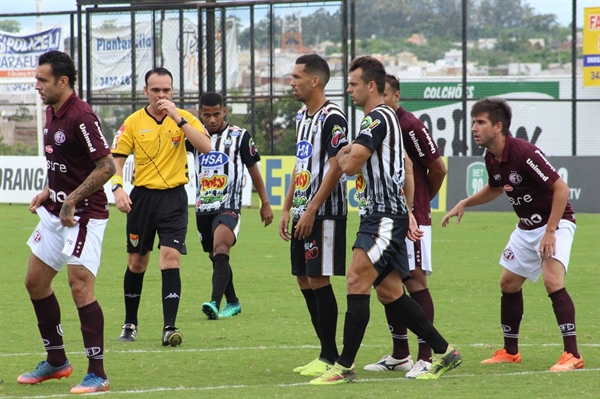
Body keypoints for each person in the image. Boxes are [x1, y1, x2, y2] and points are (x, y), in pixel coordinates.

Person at [309, 56, 462, 385]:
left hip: (380, 218)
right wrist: (406, 209)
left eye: (353, 84)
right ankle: (445, 351)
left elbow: (348, 167)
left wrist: (340, 151)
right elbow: (406, 167)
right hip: (387, 215)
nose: (348, 89)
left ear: (371, 86)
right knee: (390, 293)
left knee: (355, 281)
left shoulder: (376, 119)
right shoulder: (387, 119)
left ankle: (344, 366)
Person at [442, 97, 583, 371]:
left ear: (498, 127)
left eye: (480, 122)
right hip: (527, 228)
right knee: (508, 283)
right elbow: (495, 188)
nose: (474, 128)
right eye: (473, 122)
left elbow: (561, 189)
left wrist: (550, 231)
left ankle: (573, 354)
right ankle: (510, 351)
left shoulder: (523, 152)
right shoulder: (491, 157)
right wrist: (464, 203)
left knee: (553, 282)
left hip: (556, 223)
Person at [17, 50, 115, 394]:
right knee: (35, 282)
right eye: (36, 79)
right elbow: (64, 163)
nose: (37, 86)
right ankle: (57, 360)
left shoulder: (82, 116)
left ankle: (98, 373)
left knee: (79, 284)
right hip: (56, 211)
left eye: (42, 80)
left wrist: (72, 198)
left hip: (84, 214)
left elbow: (106, 166)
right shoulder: (50, 110)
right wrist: (49, 191)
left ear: (63, 81)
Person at [111, 67, 211, 346]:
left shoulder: (184, 118)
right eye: (155, 90)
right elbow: (115, 160)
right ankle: (130, 323)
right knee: (137, 262)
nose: (161, 95)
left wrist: (178, 119)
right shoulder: (133, 122)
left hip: (174, 199)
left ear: (172, 91)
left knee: (171, 259)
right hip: (142, 199)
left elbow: (206, 146)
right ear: (146, 92)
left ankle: (170, 328)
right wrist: (118, 187)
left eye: (166, 90)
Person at [363, 74, 447, 378]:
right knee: (388, 281)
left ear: (395, 96)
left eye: (386, 95)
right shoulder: (375, 122)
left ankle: (427, 356)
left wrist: (421, 203)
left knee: (415, 281)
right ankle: (401, 354)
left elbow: (438, 168)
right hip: (386, 215)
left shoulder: (409, 125)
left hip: (412, 216)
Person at [278, 54, 349, 377]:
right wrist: (287, 207)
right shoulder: (301, 116)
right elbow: (301, 163)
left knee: (318, 277)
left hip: (325, 212)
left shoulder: (333, 117)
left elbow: (337, 165)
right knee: (303, 278)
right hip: (303, 210)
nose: (291, 82)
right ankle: (324, 351)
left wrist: (312, 208)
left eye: (296, 77)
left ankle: (330, 355)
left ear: (314, 81)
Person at [193, 92, 273, 319]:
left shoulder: (240, 136)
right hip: (203, 207)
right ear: (200, 113)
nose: (212, 119)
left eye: (216, 114)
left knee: (221, 249)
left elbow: (254, 172)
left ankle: (214, 304)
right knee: (215, 257)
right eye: (206, 115)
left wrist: (264, 203)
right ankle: (234, 302)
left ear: (224, 111)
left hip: (229, 204)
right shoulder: (195, 137)